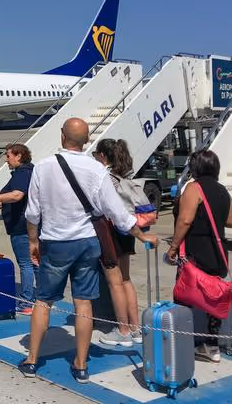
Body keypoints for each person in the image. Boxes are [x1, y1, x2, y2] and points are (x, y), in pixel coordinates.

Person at [19, 118, 157, 384]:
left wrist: (32, 240)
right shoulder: (96, 169)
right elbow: (115, 211)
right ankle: (81, 364)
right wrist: (140, 234)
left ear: (62, 137)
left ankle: (33, 359)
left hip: (55, 242)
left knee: (43, 301)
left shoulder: (44, 167)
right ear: (86, 140)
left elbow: (33, 211)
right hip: (86, 243)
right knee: (83, 303)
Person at [167, 150, 232, 364]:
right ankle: (211, 346)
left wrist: (173, 246)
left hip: (196, 250)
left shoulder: (193, 188)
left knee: (183, 294)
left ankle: (181, 341)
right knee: (213, 297)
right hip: (217, 250)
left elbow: (185, 220)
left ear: (195, 167)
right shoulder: (223, 190)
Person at [90, 138, 147, 347]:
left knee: (114, 283)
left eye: (97, 154)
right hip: (127, 231)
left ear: (103, 156)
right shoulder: (124, 175)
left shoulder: (105, 177)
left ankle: (122, 330)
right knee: (126, 280)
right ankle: (135, 328)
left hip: (111, 233)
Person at [0, 143, 35, 315]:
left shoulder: (23, 173)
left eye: (9, 156)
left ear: (19, 156)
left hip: (22, 227)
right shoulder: (26, 172)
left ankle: (27, 301)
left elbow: (17, 195)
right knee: (33, 263)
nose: (7, 160)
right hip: (25, 224)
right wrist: (4, 203)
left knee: (26, 264)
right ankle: (38, 298)